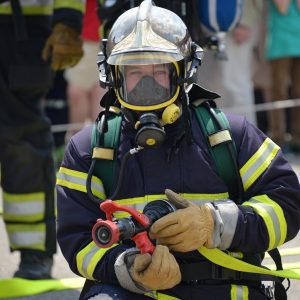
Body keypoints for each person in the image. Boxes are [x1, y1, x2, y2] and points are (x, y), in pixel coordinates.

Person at [56, 1, 300, 299]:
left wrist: (215, 224)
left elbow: (287, 206)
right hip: (133, 292)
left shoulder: (231, 136)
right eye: (134, 72)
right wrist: (129, 269)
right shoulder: (90, 150)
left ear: (183, 72)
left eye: (160, 70)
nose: (147, 83)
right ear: (114, 76)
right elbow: (77, 239)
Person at [0, 0, 84, 279]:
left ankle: (34, 250)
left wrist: (68, 21)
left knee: (21, 142)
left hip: (21, 28)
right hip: (23, 28)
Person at [197, 0, 263, 126]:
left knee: (236, 85)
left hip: (234, 21)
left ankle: (247, 138)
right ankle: (217, 134)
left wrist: (245, 20)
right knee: (210, 88)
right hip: (204, 23)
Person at [64, 0, 106, 140]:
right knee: (77, 92)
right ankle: (76, 145)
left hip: (111, 38)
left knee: (101, 96)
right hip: (83, 37)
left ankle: (100, 144)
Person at [265, 0, 300, 151]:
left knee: (298, 93)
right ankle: (278, 137)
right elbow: (282, 7)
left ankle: (297, 138)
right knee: (279, 92)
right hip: (280, 44)